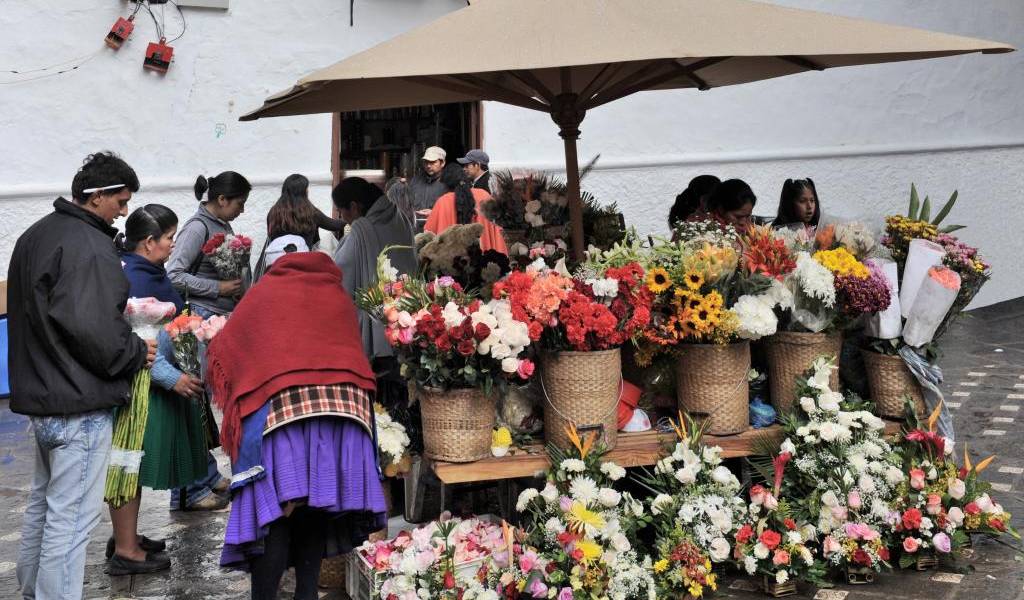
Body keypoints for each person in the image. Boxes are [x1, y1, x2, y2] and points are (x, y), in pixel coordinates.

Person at [9, 152, 156, 600]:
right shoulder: (87, 246)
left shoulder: (37, 234)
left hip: (45, 397)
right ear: (96, 198)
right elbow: (94, 329)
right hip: (78, 404)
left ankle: (33, 592)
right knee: (69, 522)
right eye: (121, 200)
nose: (125, 210)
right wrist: (135, 349)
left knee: (45, 509)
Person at [207, 246, 386, 600]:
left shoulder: (264, 293)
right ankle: (306, 593)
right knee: (315, 506)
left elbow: (225, 345)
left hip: (284, 417)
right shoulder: (334, 292)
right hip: (344, 416)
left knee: (276, 514)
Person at [106, 205, 213, 575]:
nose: (173, 245)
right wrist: (174, 378)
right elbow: (139, 344)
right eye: (169, 238)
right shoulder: (133, 280)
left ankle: (127, 536)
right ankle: (125, 548)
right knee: (129, 465)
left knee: (134, 466)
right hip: (141, 390)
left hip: (156, 384)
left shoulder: (152, 272)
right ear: (149, 242)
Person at [165, 170, 252, 511]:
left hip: (217, 322)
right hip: (198, 324)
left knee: (202, 404)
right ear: (221, 200)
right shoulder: (197, 227)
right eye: (240, 203)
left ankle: (207, 474)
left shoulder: (221, 226)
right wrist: (217, 288)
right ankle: (188, 488)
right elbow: (175, 274)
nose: (242, 211)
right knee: (194, 401)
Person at [253, 174, 346, 280]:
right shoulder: (310, 212)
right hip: (303, 268)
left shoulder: (274, 212)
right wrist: (352, 217)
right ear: (303, 191)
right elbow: (334, 225)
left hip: (277, 267)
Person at [424, 163, 508, 254]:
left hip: (452, 262)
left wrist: (436, 213)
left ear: (446, 185)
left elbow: (429, 234)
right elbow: (497, 228)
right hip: (485, 259)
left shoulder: (443, 201)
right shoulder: (484, 195)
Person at [408, 146, 447, 230]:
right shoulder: (415, 180)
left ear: (442, 163)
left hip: (438, 232)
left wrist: (435, 213)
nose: (428, 166)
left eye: (433, 162)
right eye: (426, 162)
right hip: (415, 231)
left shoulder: (449, 183)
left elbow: (454, 211)